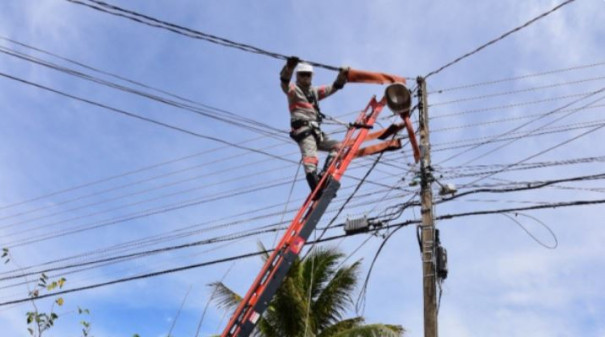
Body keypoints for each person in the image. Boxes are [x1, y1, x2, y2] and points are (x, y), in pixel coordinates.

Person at [280, 57, 349, 192]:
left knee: (339, 147)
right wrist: (289, 67)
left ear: (312, 76)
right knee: (310, 157)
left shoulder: (314, 92)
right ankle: (315, 185)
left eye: (308, 74)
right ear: (297, 76)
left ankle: (325, 175)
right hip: (304, 129)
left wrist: (342, 76)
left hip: (316, 131)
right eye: (302, 74)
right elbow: (284, 82)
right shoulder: (293, 90)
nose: (305, 77)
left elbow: (333, 87)